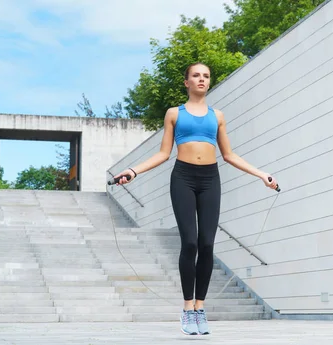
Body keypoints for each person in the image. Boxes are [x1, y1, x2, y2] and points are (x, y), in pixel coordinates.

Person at [113, 62, 278, 335]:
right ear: (186, 82)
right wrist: (133, 171)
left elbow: (229, 155)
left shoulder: (218, 116)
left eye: (206, 76)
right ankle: (187, 309)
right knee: (190, 242)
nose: (201, 79)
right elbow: (163, 153)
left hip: (210, 179)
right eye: (196, 75)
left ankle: (200, 308)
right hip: (183, 178)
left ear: (209, 82)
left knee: (208, 244)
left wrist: (262, 174)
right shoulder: (173, 114)